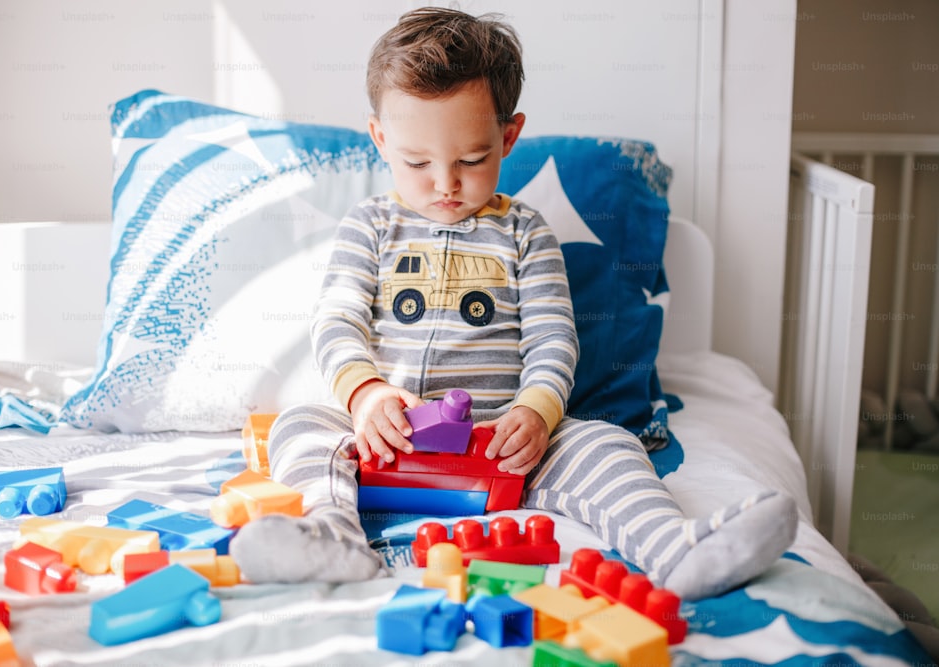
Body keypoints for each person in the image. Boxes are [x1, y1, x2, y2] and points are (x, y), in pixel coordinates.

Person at [230, 6, 797, 600]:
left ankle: (673, 547)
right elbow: (337, 320)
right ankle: (332, 536)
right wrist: (365, 394)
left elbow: (554, 338)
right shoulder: (369, 226)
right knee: (299, 425)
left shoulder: (525, 232)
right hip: (386, 444)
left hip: (503, 449)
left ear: (508, 136)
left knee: (605, 441)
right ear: (380, 138)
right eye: (418, 162)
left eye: (471, 160)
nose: (445, 183)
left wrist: (537, 412)